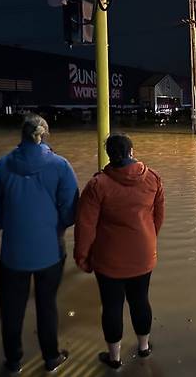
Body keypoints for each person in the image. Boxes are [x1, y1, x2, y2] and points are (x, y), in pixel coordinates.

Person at [0, 114, 79, 373]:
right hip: (50, 251)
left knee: (11, 308)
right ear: (44, 135)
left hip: (13, 252)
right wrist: (58, 226)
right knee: (47, 305)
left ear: (22, 135)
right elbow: (71, 208)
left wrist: (8, 224)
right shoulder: (61, 166)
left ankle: (13, 362)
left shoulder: (2, 165)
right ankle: (51, 357)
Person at [74, 133, 165, 369]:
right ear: (131, 152)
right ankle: (144, 348)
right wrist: (148, 239)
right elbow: (158, 217)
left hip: (109, 259)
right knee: (140, 300)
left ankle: (114, 358)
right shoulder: (153, 178)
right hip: (143, 255)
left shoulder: (97, 185)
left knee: (112, 306)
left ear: (109, 155)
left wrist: (82, 256)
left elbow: (85, 225)